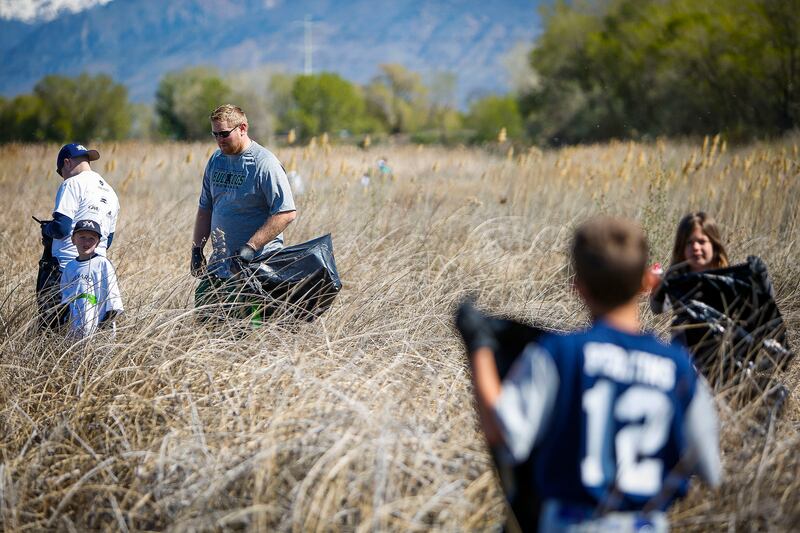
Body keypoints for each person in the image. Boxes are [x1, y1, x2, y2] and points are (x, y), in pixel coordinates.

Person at [468, 216, 721, 532]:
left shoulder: (559, 354)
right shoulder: (680, 368)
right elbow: (710, 470)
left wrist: (479, 347)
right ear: (648, 282)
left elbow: (505, 434)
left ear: (579, 289)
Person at [191, 104, 296, 310]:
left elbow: (285, 212)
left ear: (242, 128)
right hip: (219, 264)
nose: (219, 140)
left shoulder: (264, 163)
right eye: (214, 134)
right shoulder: (215, 160)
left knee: (249, 330)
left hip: (255, 266)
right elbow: (206, 208)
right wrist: (197, 249)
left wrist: (251, 247)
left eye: (224, 134)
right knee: (206, 319)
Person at [37, 143, 120, 328]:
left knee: (52, 327)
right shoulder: (112, 193)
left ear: (66, 163)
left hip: (64, 268)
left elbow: (62, 228)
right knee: (87, 323)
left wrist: (46, 229)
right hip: (96, 269)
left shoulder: (71, 184)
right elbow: (108, 240)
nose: (62, 177)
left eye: (61, 172)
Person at [650, 211, 729, 314]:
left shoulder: (727, 279)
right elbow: (657, 309)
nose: (695, 247)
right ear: (681, 247)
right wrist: (658, 287)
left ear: (714, 245)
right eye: (689, 242)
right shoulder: (677, 278)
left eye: (702, 242)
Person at [59, 219, 123, 339]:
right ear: (73, 239)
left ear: (98, 243)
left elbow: (114, 303)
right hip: (75, 334)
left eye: (92, 239)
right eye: (82, 237)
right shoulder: (70, 267)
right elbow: (65, 303)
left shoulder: (102, 264)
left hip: (99, 333)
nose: (86, 242)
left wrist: (101, 331)